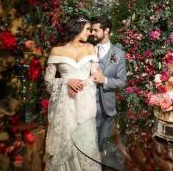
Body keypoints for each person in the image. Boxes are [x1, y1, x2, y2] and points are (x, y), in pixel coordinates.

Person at [44, 16, 101, 171]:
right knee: (65, 141)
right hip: (65, 105)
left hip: (85, 104)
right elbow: (48, 81)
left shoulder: (90, 48)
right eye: (88, 29)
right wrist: (66, 82)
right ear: (77, 27)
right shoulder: (57, 50)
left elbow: (95, 76)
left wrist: (82, 84)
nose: (90, 33)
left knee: (86, 142)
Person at [89, 15, 127, 170]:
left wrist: (104, 80)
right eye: (91, 29)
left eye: (95, 30)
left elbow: (122, 81)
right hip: (87, 107)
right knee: (89, 148)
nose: (92, 33)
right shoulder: (87, 49)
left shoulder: (118, 54)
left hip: (107, 110)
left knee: (106, 150)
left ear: (106, 31)